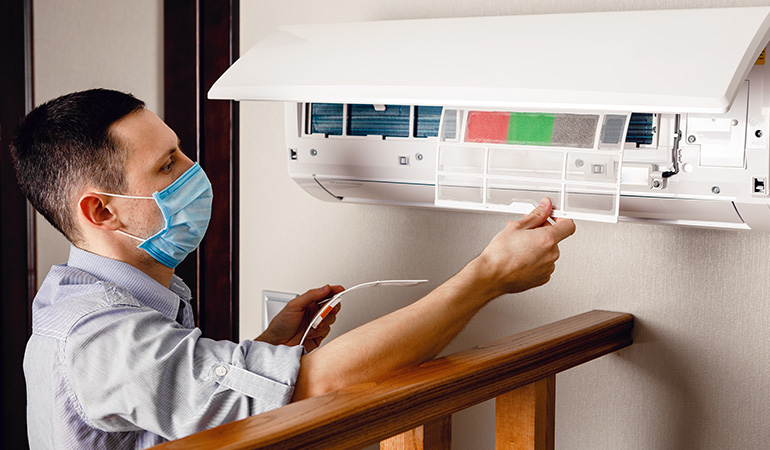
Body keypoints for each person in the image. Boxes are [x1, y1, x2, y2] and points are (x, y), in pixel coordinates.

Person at [11, 88, 575, 449]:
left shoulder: (119, 300)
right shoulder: (96, 337)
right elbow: (316, 385)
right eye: (167, 166)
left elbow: (172, 404)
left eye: (179, 151)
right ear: (101, 211)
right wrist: (487, 277)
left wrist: (267, 347)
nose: (194, 170)